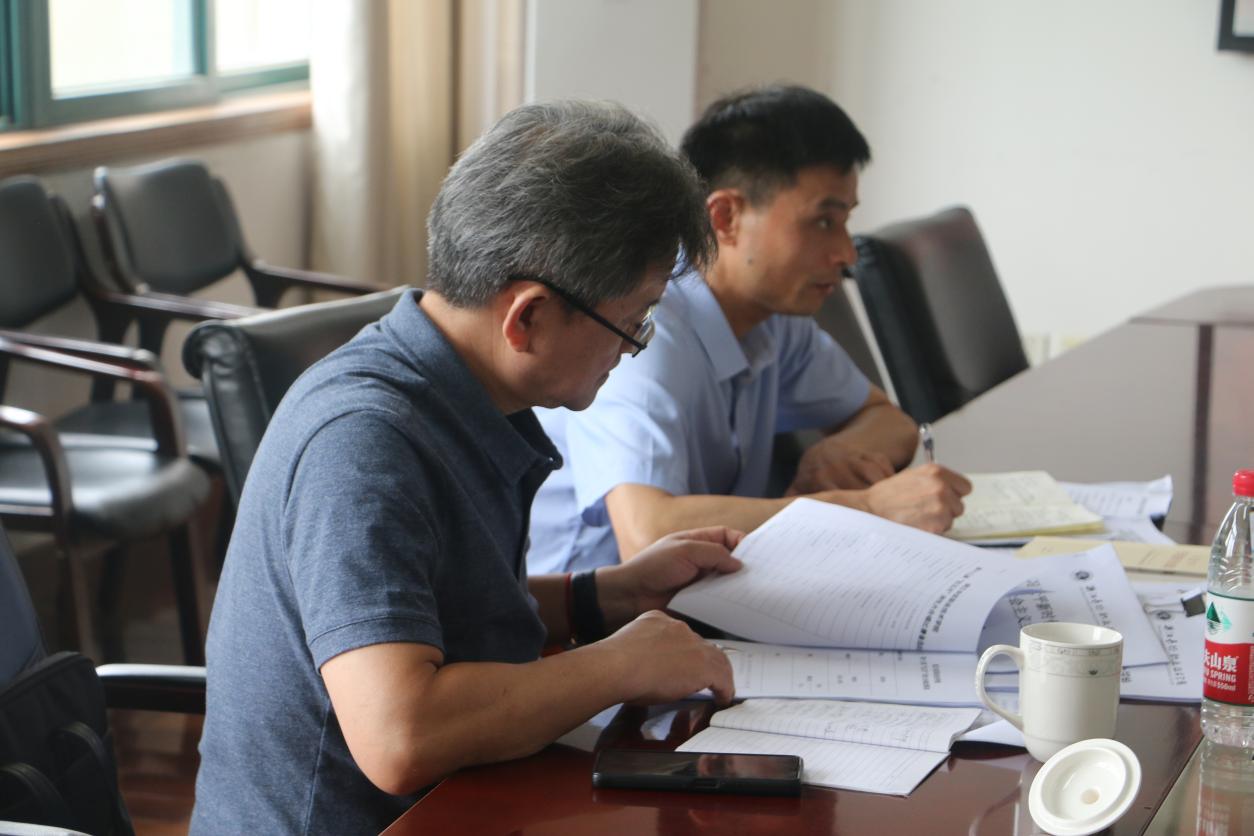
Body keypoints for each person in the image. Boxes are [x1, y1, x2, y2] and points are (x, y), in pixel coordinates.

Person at [190, 101, 745, 836]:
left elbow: (445, 606)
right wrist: (619, 664)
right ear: (528, 317)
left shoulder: (466, 386)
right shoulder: (362, 444)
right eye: (630, 323)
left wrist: (608, 594)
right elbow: (400, 734)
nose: (632, 348)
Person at [528, 85, 972, 576]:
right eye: (823, 222)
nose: (846, 254)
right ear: (726, 217)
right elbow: (648, 533)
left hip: (707, 585)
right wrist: (867, 507)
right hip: (591, 607)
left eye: (846, 221)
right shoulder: (645, 331)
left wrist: (839, 451)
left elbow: (889, 421)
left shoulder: (775, 317)